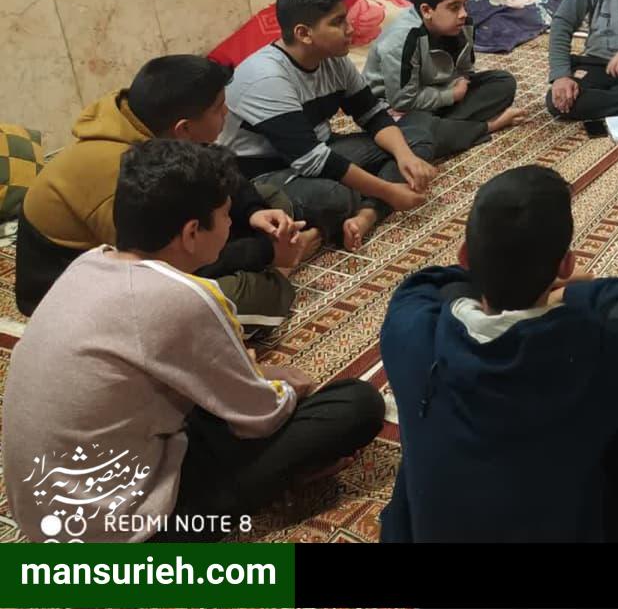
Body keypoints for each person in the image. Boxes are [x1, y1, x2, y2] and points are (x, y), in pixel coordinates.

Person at [3, 140, 385, 543]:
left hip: (45, 516)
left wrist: (247, 373)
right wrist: (288, 387)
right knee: (356, 405)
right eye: (225, 216)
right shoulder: (182, 298)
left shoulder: (88, 263)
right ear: (190, 233)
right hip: (124, 534)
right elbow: (262, 417)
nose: (230, 226)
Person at [379, 165, 618, 542]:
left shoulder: (408, 327)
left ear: (465, 256)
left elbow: (427, 282)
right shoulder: (602, 353)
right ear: (566, 264)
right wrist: (572, 292)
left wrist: (499, 264)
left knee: (447, 300)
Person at [16, 55, 307, 325]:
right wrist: (265, 252)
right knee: (254, 296)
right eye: (219, 108)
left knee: (270, 199)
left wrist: (254, 212)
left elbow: (214, 174)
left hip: (161, 240)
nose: (226, 112)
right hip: (77, 296)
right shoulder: (118, 175)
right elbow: (160, 267)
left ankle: (274, 257)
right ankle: (279, 273)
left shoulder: (148, 122)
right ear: (184, 129)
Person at [220, 0, 436, 253]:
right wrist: (388, 191)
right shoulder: (266, 78)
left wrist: (405, 156)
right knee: (335, 197)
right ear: (304, 33)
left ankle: (366, 215)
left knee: (413, 139)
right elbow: (312, 161)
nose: (350, 29)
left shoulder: (334, 59)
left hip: (321, 150)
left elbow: (372, 115)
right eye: (338, 22)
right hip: (266, 175)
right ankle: (368, 204)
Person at [363, 0, 525, 156]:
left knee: (503, 82)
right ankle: (488, 126)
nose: (463, 14)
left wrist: (459, 83)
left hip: (438, 95)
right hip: (396, 108)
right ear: (427, 10)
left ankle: (447, 130)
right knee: (418, 132)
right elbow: (402, 101)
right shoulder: (401, 40)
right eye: (454, 7)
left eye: (464, 5)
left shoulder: (461, 24)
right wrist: (451, 95)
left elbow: (466, 71)